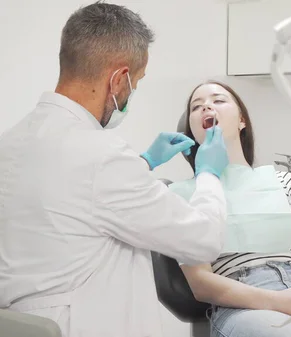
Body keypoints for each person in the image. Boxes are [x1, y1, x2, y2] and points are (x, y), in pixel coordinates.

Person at [0, 3, 229, 337]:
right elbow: (205, 240)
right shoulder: (102, 156)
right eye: (136, 80)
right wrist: (208, 173)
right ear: (119, 79)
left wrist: (143, 163)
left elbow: (68, 199)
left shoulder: (13, 141)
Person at [167, 80, 291, 337]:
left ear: (242, 120)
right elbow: (200, 283)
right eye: (196, 106)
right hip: (241, 306)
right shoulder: (180, 194)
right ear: (192, 129)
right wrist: (277, 301)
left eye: (218, 100)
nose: (206, 107)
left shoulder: (283, 181)